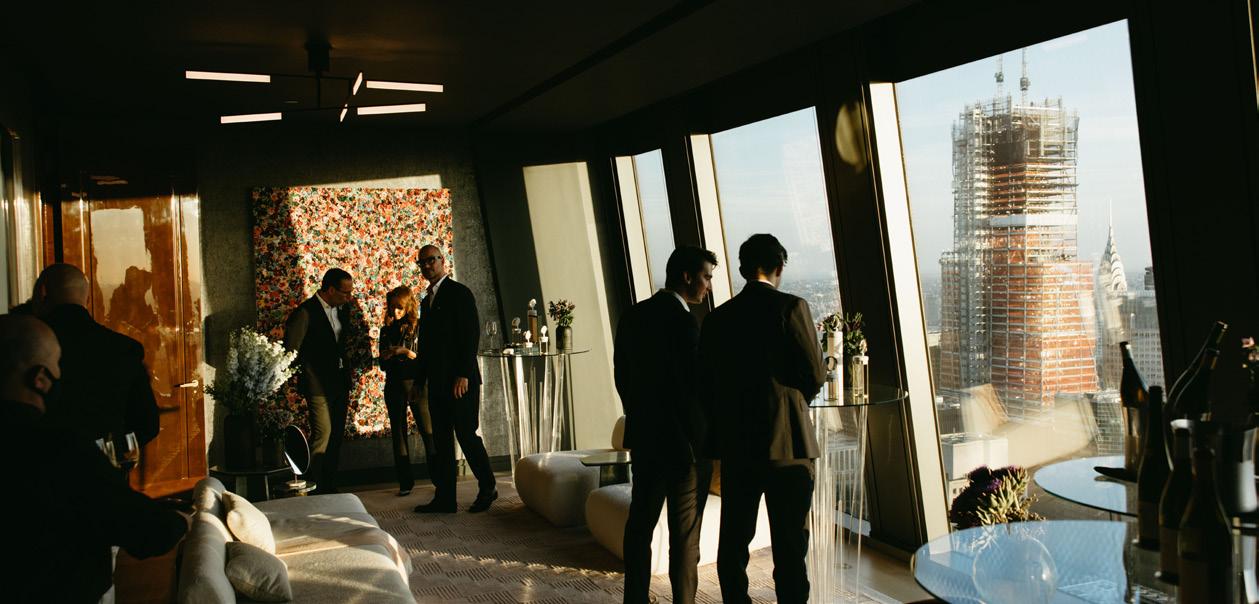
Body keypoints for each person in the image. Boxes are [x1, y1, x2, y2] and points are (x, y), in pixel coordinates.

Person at [0, 314, 187, 603]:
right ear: (40, 379)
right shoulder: (59, 449)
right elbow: (146, 530)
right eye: (57, 365)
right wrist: (185, 521)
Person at [699, 234, 825, 604]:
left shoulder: (718, 319)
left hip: (738, 446)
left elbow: (706, 383)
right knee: (790, 546)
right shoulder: (792, 308)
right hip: (788, 446)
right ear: (779, 267)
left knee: (734, 541)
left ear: (741, 269)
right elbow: (815, 373)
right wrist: (793, 404)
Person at [614, 246, 718, 604]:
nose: (708, 286)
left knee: (639, 525)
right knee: (684, 537)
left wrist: (641, 416)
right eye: (706, 277)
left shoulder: (633, 315)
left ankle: (635, 599)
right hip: (683, 449)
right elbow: (692, 389)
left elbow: (622, 377)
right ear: (687, 276)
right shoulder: (684, 322)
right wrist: (701, 441)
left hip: (646, 439)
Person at [411, 244, 497, 514]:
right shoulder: (425, 301)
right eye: (422, 262)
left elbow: (470, 336)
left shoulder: (459, 293)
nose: (427, 266)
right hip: (437, 383)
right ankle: (445, 499)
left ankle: (488, 487)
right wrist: (418, 381)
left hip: (461, 382)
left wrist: (463, 374)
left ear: (442, 261)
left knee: (466, 435)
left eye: (431, 260)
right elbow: (425, 346)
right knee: (442, 442)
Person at [36, 263, 160, 447]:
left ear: (42, 292)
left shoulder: (26, 346)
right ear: (87, 299)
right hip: (104, 461)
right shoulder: (124, 349)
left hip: (35, 462)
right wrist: (110, 452)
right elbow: (147, 425)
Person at [284, 268, 359, 494]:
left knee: (336, 436)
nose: (349, 297)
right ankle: (313, 486)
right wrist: (308, 374)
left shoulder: (343, 310)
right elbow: (291, 351)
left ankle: (329, 485)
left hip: (339, 382)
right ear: (330, 290)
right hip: (317, 385)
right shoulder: (305, 312)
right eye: (345, 292)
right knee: (323, 434)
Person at [379, 285, 435, 496]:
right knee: (398, 434)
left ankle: (439, 477)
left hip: (416, 383)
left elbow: (424, 358)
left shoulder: (419, 327)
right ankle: (405, 482)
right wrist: (387, 356)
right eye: (392, 307)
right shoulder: (386, 330)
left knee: (428, 432)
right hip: (393, 384)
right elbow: (382, 365)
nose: (395, 312)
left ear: (408, 306)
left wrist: (404, 351)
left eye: (399, 308)